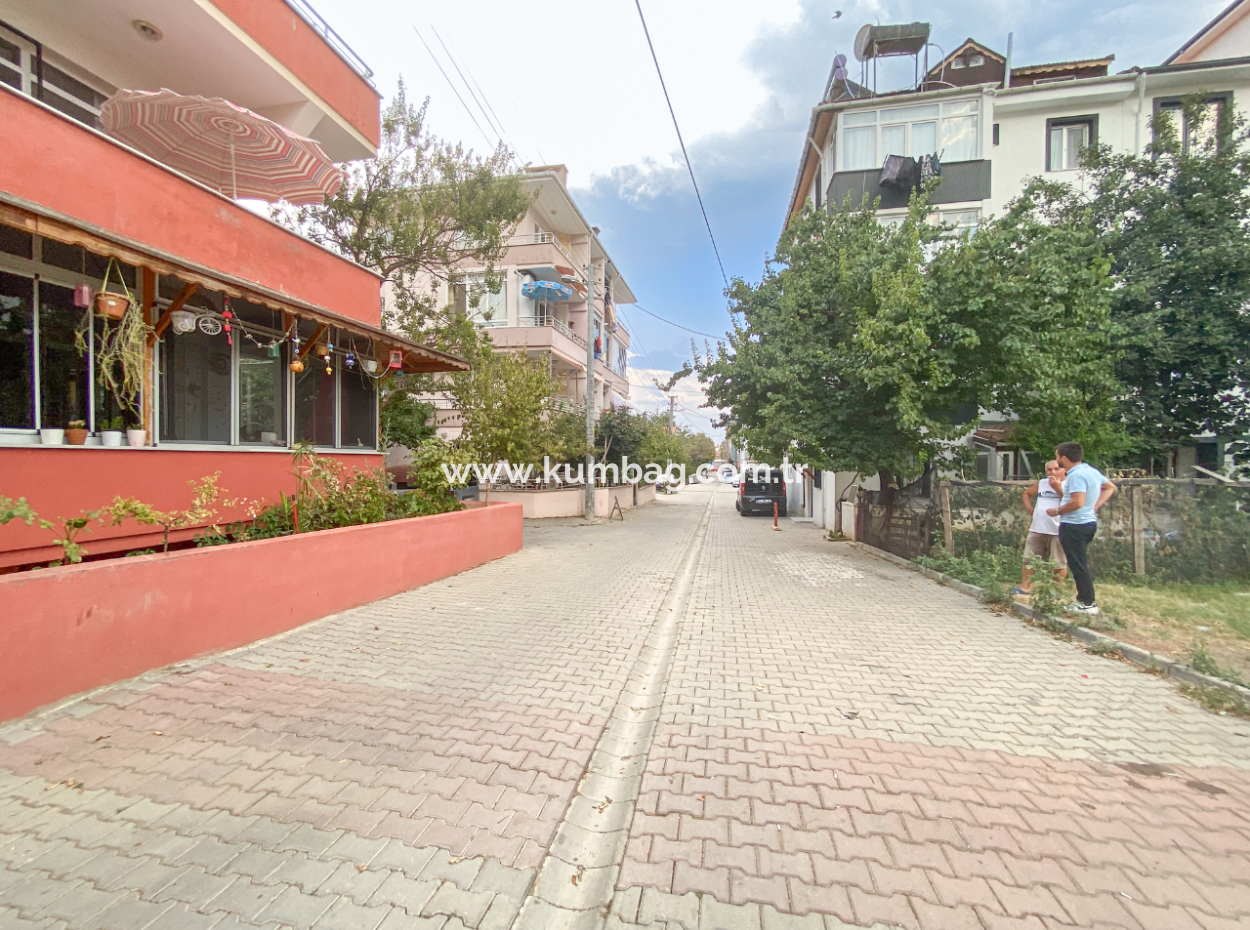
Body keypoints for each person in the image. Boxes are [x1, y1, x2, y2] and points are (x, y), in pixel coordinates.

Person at [1047, 442, 1117, 615]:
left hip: (1075, 525)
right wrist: (1094, 506)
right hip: (1088, 523)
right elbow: (1110, 487)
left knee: (1078, 564)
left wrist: (1057, 511)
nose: (1056, 460)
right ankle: (1082, 600)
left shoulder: (1076, 476)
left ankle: (1088, 603)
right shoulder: (1091, 471)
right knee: (1078, 563)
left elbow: (1077, 502)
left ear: (1064, 458)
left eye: (1057, 456)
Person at [1015, 459, 1067, 595]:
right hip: (1037, 528)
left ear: (1064, 469)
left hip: (1058, 530)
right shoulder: (1042, 483)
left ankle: (1055, 591)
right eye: (1049, 470)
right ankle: (1025, 587)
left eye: (1056, 469)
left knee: (1058, 562)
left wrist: (1057, 488)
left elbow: (1072, 502)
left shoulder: (1070, 484)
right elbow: (1026, 494)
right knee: (1028, 559)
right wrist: (1029, 509)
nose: (1052, 472)